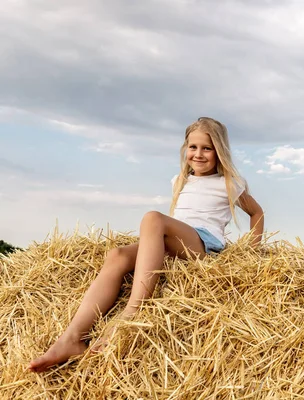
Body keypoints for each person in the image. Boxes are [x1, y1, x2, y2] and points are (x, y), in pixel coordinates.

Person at [28, 117, 264, 372]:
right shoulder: (180, 181)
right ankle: (71, 338)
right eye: (192, 147)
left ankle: (132, 312)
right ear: (185, 149)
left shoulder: (229, 183)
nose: (198, 154)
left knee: (153, 218)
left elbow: (257, 213)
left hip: (204, 245)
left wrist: (251, 251)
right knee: (117, 255)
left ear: (219, 151)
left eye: (206, 148)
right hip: (174, 241)